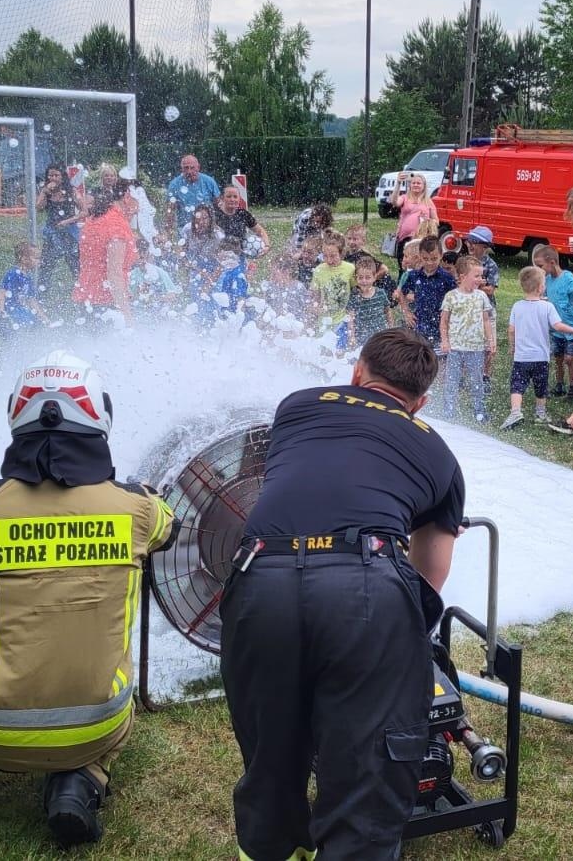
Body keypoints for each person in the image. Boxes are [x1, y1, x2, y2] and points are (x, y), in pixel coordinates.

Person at [0, 351, 175, 847]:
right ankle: (82, 779)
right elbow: (169, 525)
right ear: (101, 415)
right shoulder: (137, 511)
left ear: (17, 416)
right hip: (100, 723)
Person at [220, 328, 463, 861]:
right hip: (368, 583)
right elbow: (431, 573)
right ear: (420, 403)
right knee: (367, 773)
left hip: (261, 573)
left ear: (357, 373)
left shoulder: (297, 406)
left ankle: (268, 847)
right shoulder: (438, 453)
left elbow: (281, 480)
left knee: (270, 755)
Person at [502, 265, 573, 429]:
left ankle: (516, 411)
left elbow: (511, 329)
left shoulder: (517, 306)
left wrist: (512, 347)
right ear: (540, 288)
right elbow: (558, 326)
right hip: (540, 357)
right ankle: (540, 413)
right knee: (541, 386)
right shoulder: (547, 307)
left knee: (517, 385)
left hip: (521, 357)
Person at [438, 257, 497, 422]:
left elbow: (486, 320)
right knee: (452, 380)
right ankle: (449, 410)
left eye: (481, 276)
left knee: (476, 380)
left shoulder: (481, 297)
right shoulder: (451, 296)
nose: (481, 280)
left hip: (476, 347)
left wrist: (490, 340)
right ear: (463, 276)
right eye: (477, 276)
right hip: (455, 347)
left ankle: (479, 410)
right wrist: (445, 340)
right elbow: (444, 320)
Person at [75, 185, 134, 318]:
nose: (85, 209)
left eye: (89, 204)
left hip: (87, 295)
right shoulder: (115, 227)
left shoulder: (93, 221)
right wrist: (126, 314)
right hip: (106, 300)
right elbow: (114, 274)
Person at [534, 245, 573, 397]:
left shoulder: (568, 278)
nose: (539, 269)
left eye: (541, 265)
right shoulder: (547, 280)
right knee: (558, 357)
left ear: (552, 262)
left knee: (570, 358)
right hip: (556, 328)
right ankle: (560, 384)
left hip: (571, 326)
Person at [36, 164, 87, 298]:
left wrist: (67, 221)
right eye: (50, 175)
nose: (53, 178)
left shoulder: (72, 191)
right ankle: (41, 296)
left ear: (62, 177)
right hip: (52, 233)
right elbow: (39, 207)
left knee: (75, 265)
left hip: (69, 232)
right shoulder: (46, 191)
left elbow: (84, 212)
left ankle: (83, 294)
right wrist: (44, 191)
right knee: (46, 265)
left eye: (56, 175)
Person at [402, 236, 456, 352]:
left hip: (440, 326)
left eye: (434, 258)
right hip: (420, 325)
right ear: (420, 257)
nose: (430, 262)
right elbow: (401, 292)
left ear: (441, 255)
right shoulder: (414, 275)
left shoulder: (446, 278)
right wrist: (406, 311)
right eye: (426, 259)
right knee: (418, 356)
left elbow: (455, 298)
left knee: (438, 359)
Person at [0, 242, 48, 331]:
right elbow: (2, 292)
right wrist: (1, 310)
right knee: (26, 324)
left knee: (32, 321)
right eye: (36, 258)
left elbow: (31, 300)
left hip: (17, 309)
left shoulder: (28, 277)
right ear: (23, 259)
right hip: (8, 310)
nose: (39, 260)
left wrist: (44, 318)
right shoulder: (14, 274)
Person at [345, 255, 395, 349]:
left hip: (380, 336)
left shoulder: (380, 293)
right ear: (356, 278)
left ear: (374, 277)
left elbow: (388, 311)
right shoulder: (354, 297)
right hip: (361, 338)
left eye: (368, 277)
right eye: (360, 277)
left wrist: (391, 329)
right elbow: (350, 318)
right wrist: (351, 336)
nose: (364, 281)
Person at [166, 154, 220, 236]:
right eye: (186, 168)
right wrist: (168, 233)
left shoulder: (209, 182)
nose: (189, 171)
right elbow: (170, 211)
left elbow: (219, 206)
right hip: (184, 229)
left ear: (198, 167)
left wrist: (217, 225)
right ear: (181, 169)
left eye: (192, 167)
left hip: (207, 229)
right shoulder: (174, 185)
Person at [389, 173, 437, 262]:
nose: (416, 185)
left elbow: (436, 220)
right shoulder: (405, 198)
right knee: (403, 263)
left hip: (421, 239)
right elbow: (394, 202)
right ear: (410, 185)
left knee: (418, 263)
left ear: (424, 186)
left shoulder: (428, 201)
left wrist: (428, 221)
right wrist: (398, 183)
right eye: (413, 183)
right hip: (404, 237)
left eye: (418, 183)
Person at [310, 234, 356, 322]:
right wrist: (314, 308)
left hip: (343, 320)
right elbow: (315, 296)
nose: (329, 260)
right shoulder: (318, 270)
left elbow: (355, 291)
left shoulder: (350, 269)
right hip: (324, 320)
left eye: (333, 256)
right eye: (325, 256)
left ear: (342, 253)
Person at [217, 185, 271, 258]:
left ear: (239, 199)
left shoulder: (243, 214)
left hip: (239, 257)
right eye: (229, 196)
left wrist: (267, 246)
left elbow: (260, 231)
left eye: (235, 197)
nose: (232, 199)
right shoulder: (215, 215)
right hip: (219, 257)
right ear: (222, 198)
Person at [462, 225, 501, 303]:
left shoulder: (491, 265)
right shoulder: (464, 261)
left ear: (485, 247)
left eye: (474, 242)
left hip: (483, 306)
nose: (470, 245)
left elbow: (490, 290)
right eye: (469, 242)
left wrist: (472, 285)